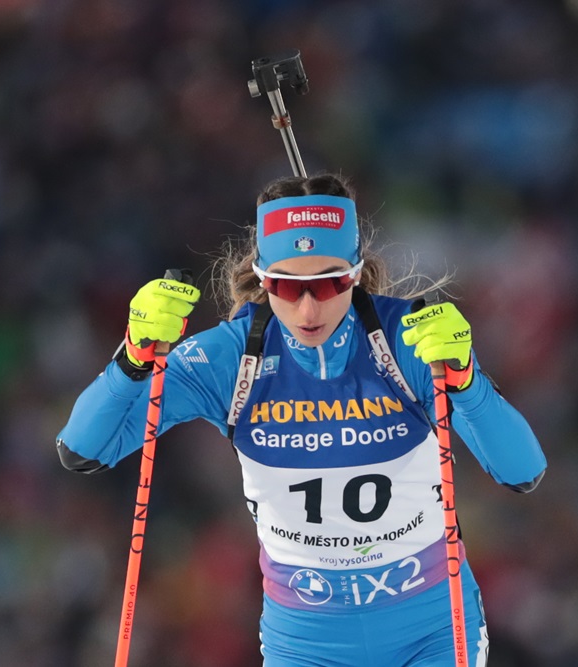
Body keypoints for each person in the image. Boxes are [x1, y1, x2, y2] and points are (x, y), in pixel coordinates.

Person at [56, 172, 547, 666]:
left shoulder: (409, 341)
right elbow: (83, 450)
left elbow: (522, 472)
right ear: (263, 279)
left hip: (432, 628)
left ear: (355, 272)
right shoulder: (232, 360)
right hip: (309, 642)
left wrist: (466, 380)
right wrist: (133, 359)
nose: (309, 308)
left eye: (330, 282)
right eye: (288, 288)